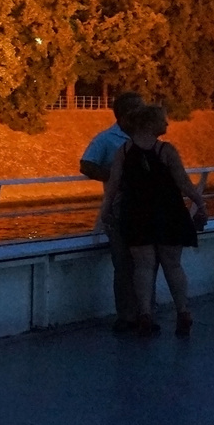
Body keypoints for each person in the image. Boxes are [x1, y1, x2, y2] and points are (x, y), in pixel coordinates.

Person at [99, 105, 208, 337]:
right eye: (163, 121)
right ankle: (183, 312)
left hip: (136, 213)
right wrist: (201, 204)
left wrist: (105, 212)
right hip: (169, 212)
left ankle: (145, 314)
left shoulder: (124, 151)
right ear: (150, 124)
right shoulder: (166, 151)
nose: (167, 124)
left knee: (143, 266)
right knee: (173, 265)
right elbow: (184, 184)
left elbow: (113, 186)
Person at [80, 92, 146, 333]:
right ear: (126, 114)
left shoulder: (146, 136)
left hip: (147, 209)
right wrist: (115, 176)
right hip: (120, 210)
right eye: (139, 109)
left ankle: (144, 313)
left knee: (146, 264)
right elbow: (86, 164)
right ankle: (127, 316)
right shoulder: (106, 139)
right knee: (123, 264)